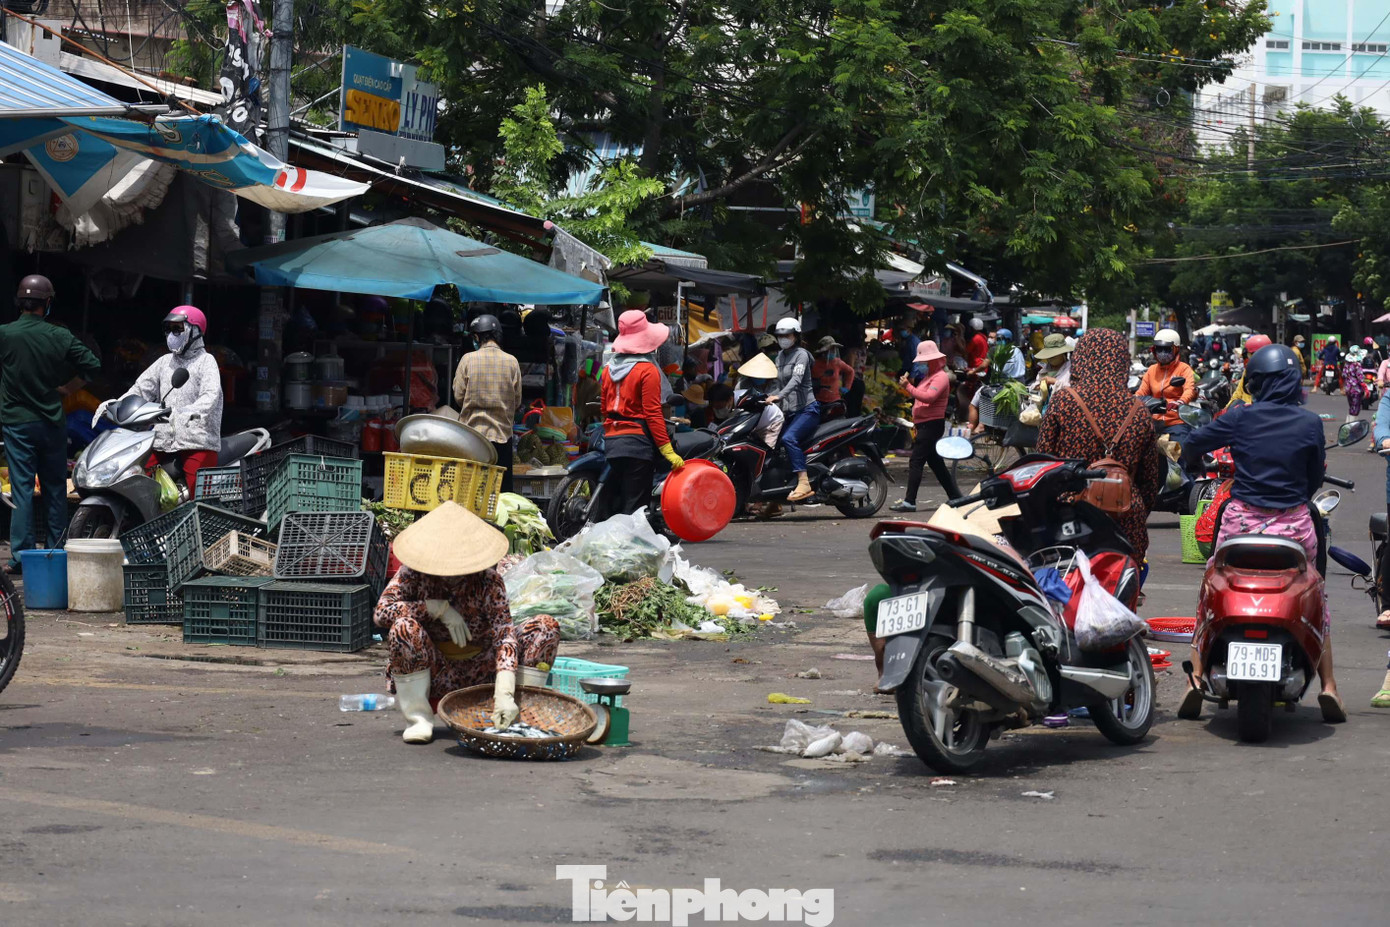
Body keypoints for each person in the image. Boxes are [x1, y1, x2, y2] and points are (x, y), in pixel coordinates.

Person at [1178, 344, 1345, 723]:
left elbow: (1192, 445)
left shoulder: (1240, 417)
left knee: (1211, 588)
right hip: (1294, 527)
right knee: (1316, 590)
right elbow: (1314, 478)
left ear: (1255, 381)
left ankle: (1195, 679)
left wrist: (1197, 458)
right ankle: (1329, 687)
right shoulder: (1310, 423)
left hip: (1241, 524)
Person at [373, 501, 560, 744]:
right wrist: (435, 608)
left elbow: (504, 635)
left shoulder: (488, 581)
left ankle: (518, 711)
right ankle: (418, 717)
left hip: (483, 669)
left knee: (544, 627)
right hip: (437, 670)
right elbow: (382, 613)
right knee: (403, 627)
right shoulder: (413, 574)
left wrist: (504, 689)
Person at [0, 275, 101, 570]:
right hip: (52, 423)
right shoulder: (60, 336)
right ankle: (57, 552)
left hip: (17, 424)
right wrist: (69, 388)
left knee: (21, 491)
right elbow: (92, 365)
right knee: (55, 489)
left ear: (19, 302)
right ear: (47, 304)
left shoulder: (5, 334)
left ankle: (21, 556)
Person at [1035, 329, 1162, 560]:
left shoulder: (1064, 401)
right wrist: (1133, 508)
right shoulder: (1139, 411)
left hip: (1071, 521)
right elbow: (1150, 481)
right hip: (1125, 523)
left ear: (1081, 359)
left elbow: (1043, 462)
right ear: (1122, 362)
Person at [95, 305, 221, 497]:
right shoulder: (164, 362)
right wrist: (116, 404)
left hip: (197, 441)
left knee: (199, 498)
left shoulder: (206, 361)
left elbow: (210, 396)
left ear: (194, 331)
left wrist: (185, 413)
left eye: (178, 328)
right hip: (162, 439)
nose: (172, 334)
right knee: (137, 480)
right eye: (169, 329)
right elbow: (140, 389)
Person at [599, 310, 685, 516]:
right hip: (637, 445)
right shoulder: (648, 371)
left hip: (611, 441)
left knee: (617, 503)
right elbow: (653, 414)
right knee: (635, 509)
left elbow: (604, 409)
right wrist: (667, 451)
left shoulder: (608, 370)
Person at [452, 314, 522, 493]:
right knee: (501, 494)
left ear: (477, 337)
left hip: (471, 439)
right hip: (502, 438)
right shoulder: (512, 362)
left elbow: (458, 396)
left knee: (470, 491)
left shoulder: (468, 360)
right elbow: (517, 401)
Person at [890, 341, 960, 512]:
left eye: (924, 361)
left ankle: (909, 501)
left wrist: (908, 387)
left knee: (916, 461)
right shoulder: (929, 376)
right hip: (924, 424)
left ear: (933, 360)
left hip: (931, 425)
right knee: (936, 463)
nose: (922, 364)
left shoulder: (940, 377)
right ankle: (956, 497)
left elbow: (929, 397)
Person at [768, 318, 818, 502]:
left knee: (789, 439)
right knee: (775, 446)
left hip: (807, 410)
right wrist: (763, 397)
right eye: (780, 335)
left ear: (795, 336)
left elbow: (795, 381)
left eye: (786, 335)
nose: (783, 338)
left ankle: (804, 481)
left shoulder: (801, 355)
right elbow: (777, 384)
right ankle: (776, 500)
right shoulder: (780, 356)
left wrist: (779, 396)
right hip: (788, 412)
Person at [1136, 328, 1198, 442]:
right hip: (1153, 422)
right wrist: (1132, 401)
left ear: (1175, 349)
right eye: (1159, 349)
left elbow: (1189, 390)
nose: (1162, 353)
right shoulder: (1151, 370)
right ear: (1154, 350)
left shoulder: (1184, 369)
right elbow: (1141, 392)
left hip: (1175, 422)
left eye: (1166, 349)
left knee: (1180, 456)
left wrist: (1180, 402)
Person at [1224, 333, 1271, 408]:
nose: (1247, 359)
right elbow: (1237, 394)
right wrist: (1226, 410)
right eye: (1247, 356)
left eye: (1250, 355)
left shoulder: (1273, 374)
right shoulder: (1247, 372)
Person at [811, 336, 855, 405]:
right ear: (823, 352)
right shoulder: (814, 364)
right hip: (817, 400)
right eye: (830, 350)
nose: (833, 352)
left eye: (833, 349)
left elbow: (850, 372)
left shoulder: (837, 362)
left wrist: (847, 387)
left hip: (835, 400)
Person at [1343, 346, 1368, 421]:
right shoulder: (1357, 365)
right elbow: (1360, 377)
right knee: (1356, 407)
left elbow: (1344, 375)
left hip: (1348, 388)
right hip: (1356, 389)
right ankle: (1352, 423)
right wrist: (1364, 386)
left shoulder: (1346, 365)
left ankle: (1348, 422)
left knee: (1351, 406)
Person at [843, 344, 867, 417]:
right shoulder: (863, 350)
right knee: (857, 409)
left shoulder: (852, 352)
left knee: (851, 410)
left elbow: (850, 369)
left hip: (853, 382)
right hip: (860, 381)